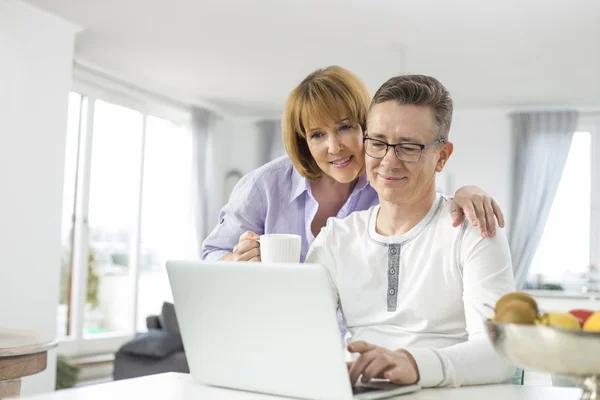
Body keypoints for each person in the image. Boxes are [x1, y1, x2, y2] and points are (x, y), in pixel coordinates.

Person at [305, 74, 516, 388]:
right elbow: (298, 338)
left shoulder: (472, 231)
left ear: (442, 156)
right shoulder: (335, 239)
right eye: (377, 143)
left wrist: (413, 363)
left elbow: (500, 353)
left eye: (408, 147)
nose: (388, 162)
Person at [201, 66, 505, 262]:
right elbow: (211, 254)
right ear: (303, 139)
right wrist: (238, 260)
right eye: (317, 134)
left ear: (366, 127)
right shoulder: (264, 187)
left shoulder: (386, 185)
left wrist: (467, 192)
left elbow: (427, 205)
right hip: (278, 334)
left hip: (357, 347)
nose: (334, 147)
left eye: (345, 127)